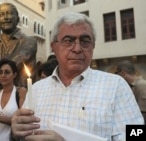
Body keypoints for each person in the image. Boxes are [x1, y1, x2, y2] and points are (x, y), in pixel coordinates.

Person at [10, 12, 144, 141]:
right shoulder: (37, 90)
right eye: (68, 41)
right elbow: (25, 132)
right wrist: (16, 132)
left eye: (85, 41)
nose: (77, 48)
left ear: (93, 46)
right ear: (53, 47)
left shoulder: (116, 86)